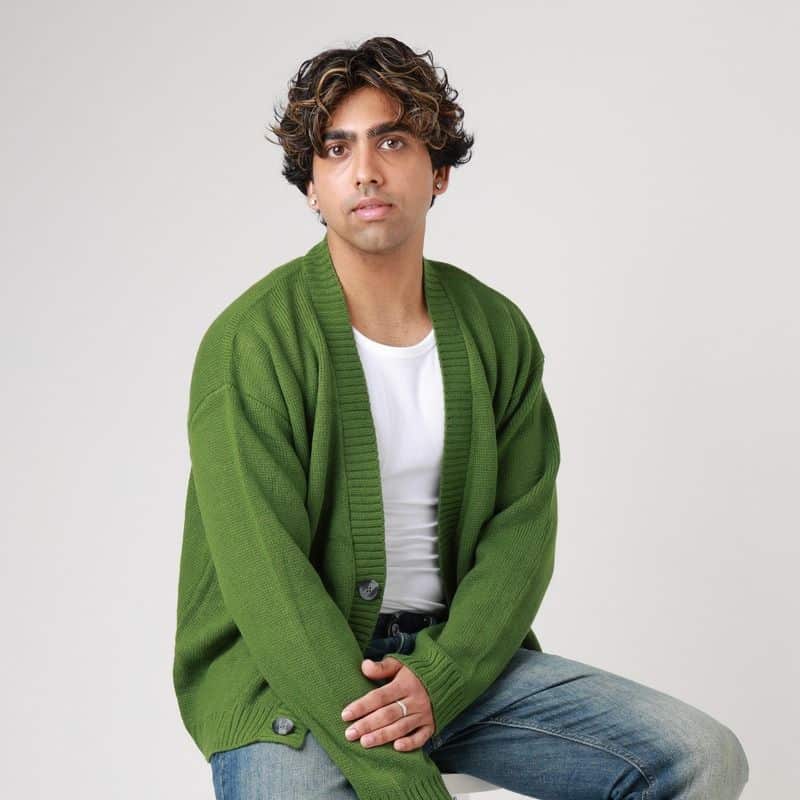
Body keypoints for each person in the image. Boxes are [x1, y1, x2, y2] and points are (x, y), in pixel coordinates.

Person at [172, 35, 750, 800]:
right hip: (290, 677)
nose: (366, 170)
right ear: (311, 184)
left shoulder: (494, 330)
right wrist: (403, 781)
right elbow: (266, 582)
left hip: (455, 663)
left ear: (438, 170)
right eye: (337, 149)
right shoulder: (253, 343)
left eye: (393, 141)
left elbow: (521, 534)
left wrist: (443, 678)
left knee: (702, 757)